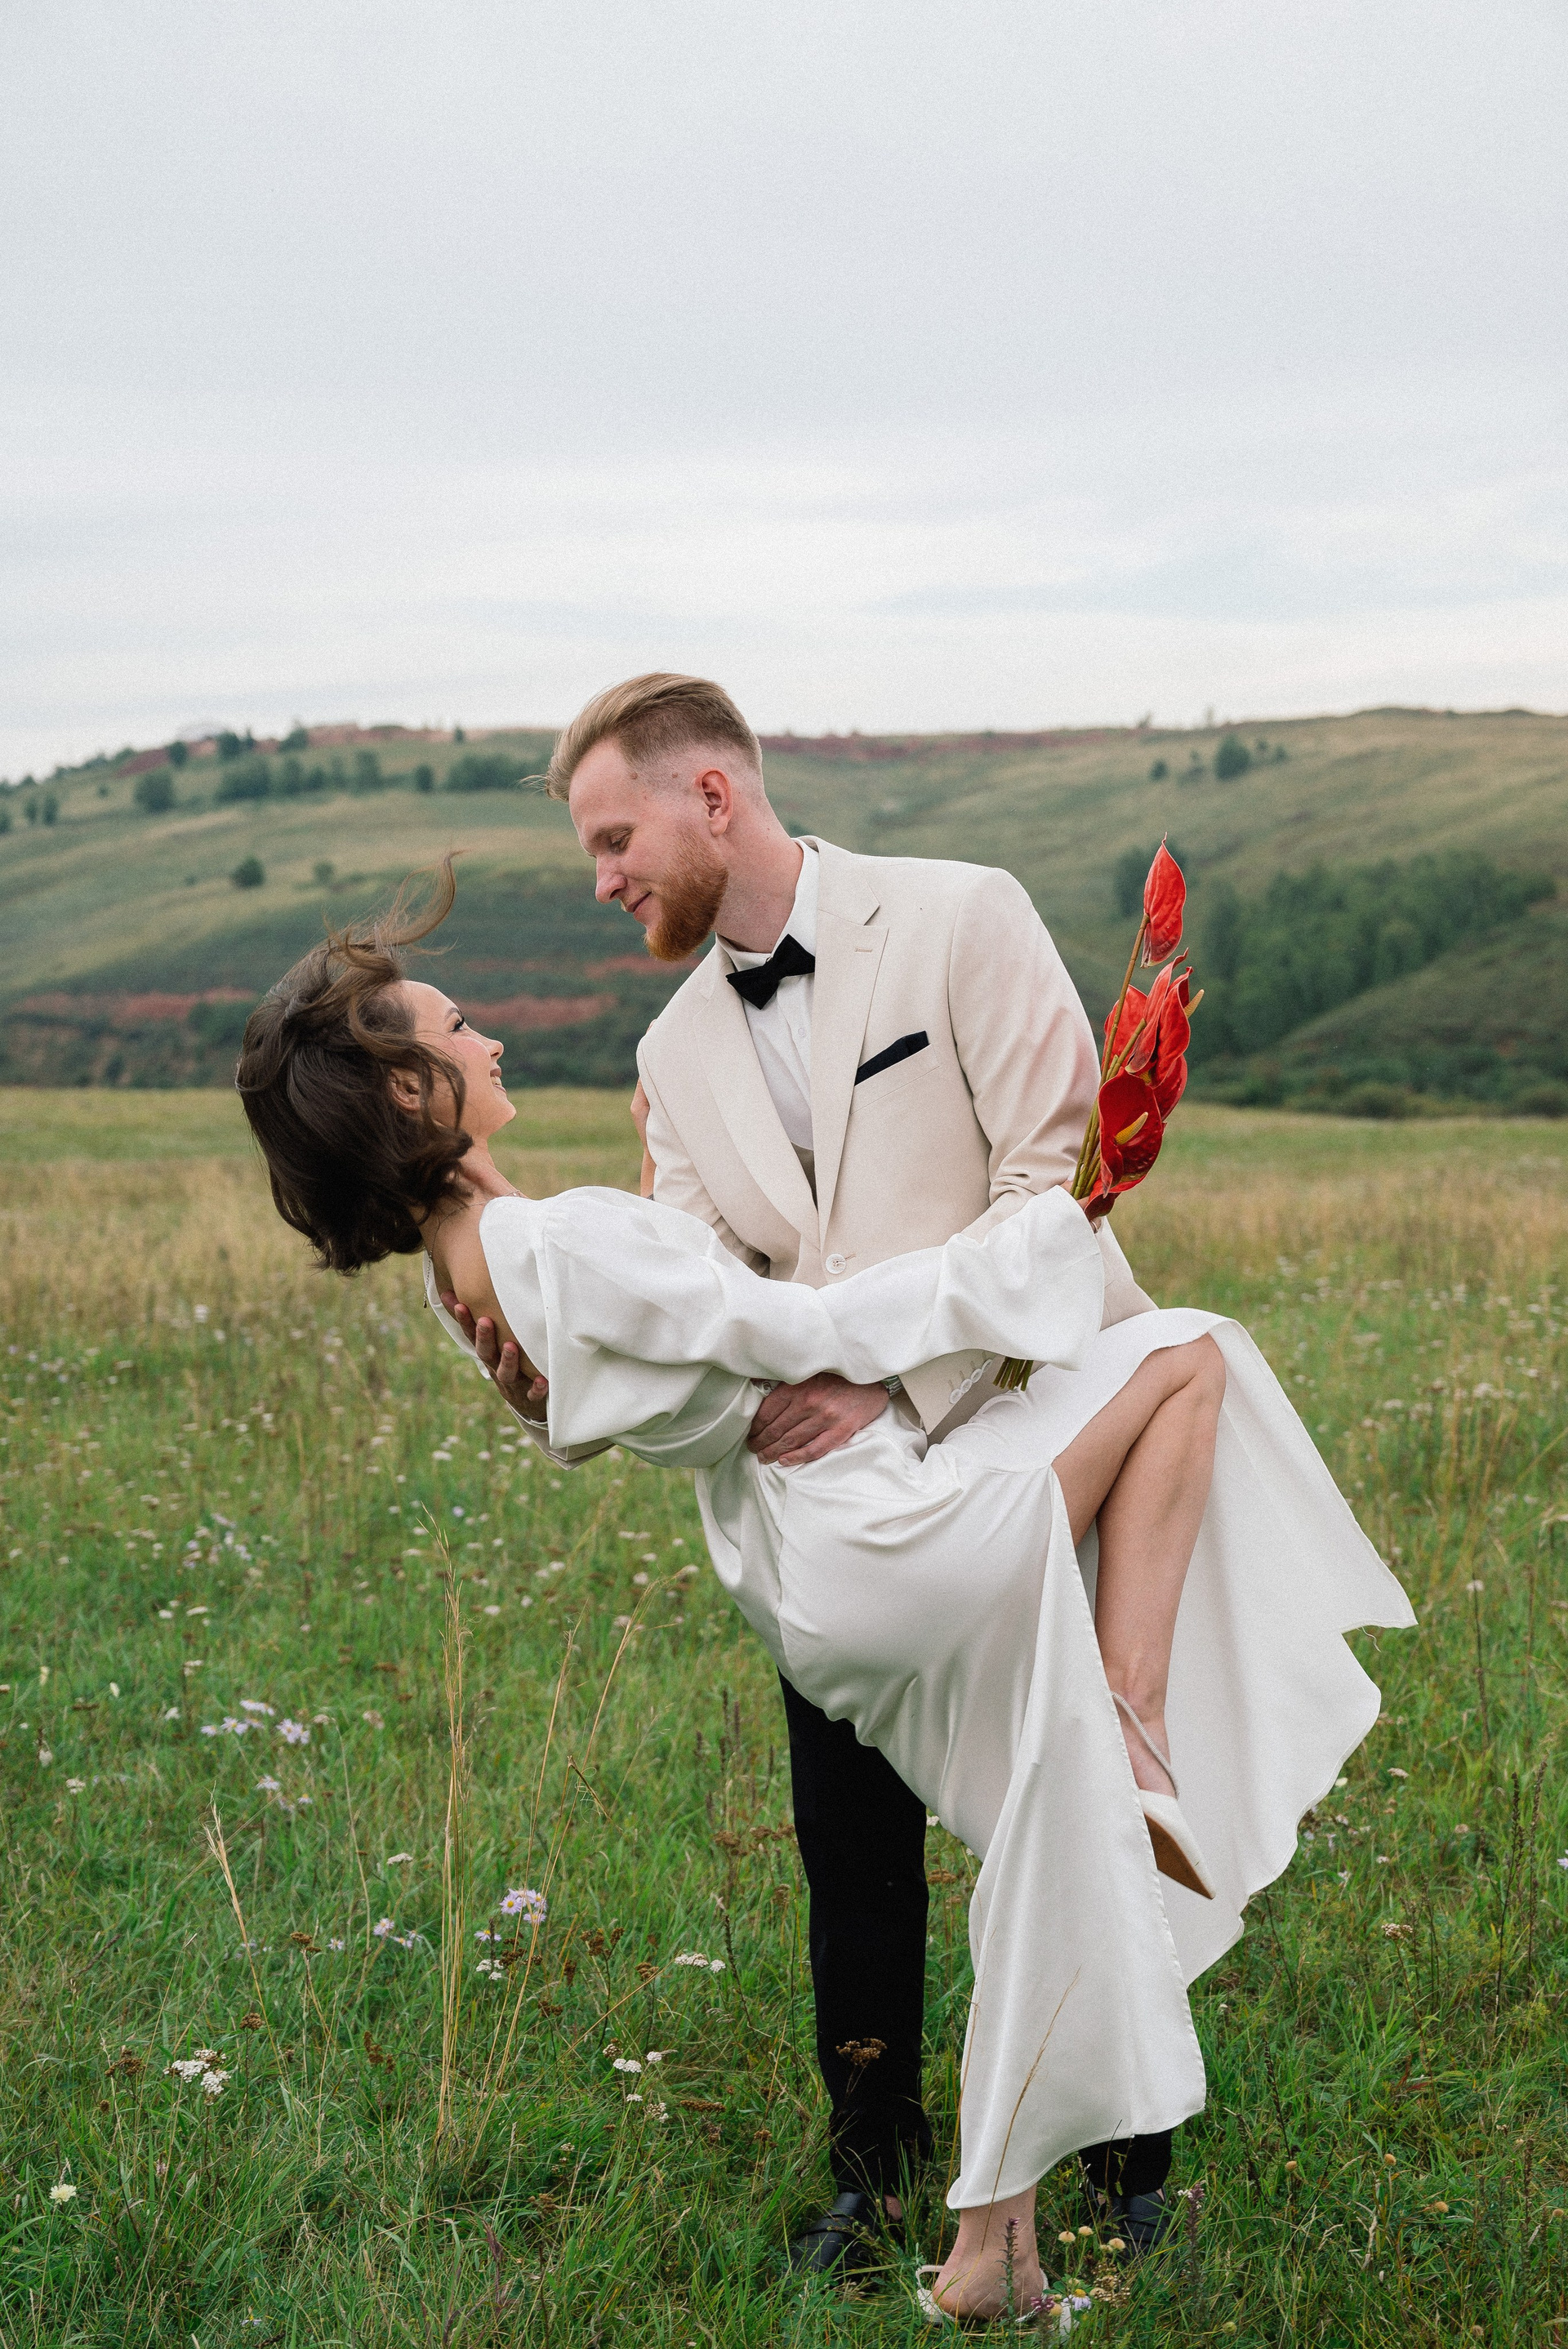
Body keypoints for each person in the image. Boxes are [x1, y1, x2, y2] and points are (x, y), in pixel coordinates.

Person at [234, 875, 1413, 2323]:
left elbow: (604, 1396)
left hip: (814, 1570)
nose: (489, 1039)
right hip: (887, 1533)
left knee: (1061, 1828)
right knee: (1186, 1357)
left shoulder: (467, 1265)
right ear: (411, 1094)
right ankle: (1138, 1719)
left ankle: (995, 2246)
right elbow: (788, 1328)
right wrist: (1049, 1243)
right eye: (459, 1028)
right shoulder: (548, 1243)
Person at [498, 671, 1184, 2271]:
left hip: (1035, 1424)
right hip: (835, 1508)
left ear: (712, 795)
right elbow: (699, 1289)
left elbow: (1049, 1194)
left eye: (613, 840)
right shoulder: (673, 1052)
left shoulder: (963, 914)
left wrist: (883, 1373)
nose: (602, 881)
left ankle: (1127, 2161)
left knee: (1079, 1799)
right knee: (849, 1844)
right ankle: (873, 2176)